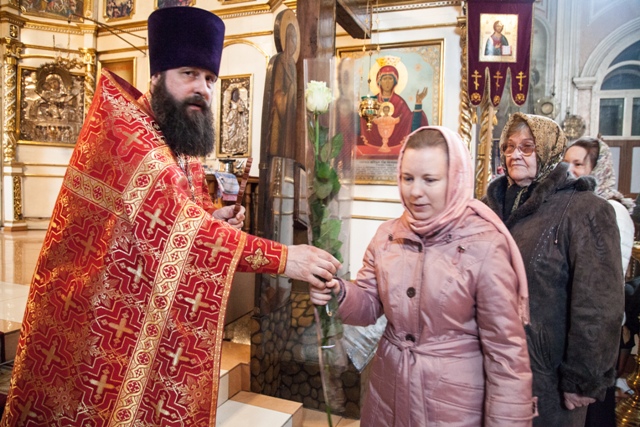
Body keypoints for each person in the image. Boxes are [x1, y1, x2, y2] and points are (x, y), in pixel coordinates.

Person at [0, 7, 340, 426]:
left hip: (132, 304)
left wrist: (213, 217)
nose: (202, 89)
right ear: (157, 75)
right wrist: (287, 259)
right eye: (189, 74)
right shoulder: (129, 135)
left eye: (210, 79)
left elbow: (183, 216)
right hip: (92, 313)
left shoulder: (176, 139)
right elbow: (181, 229)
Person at [312, 126, 535, 426]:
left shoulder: (485, 246)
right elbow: (369, 304)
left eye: (429, 180)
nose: (415, 191)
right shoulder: (387, 236)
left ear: (455, 179)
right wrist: (338, 292)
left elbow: (506, 356)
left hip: (452, 408)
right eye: (408, 178)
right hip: (388, 397)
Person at [484, 112, 624, 426]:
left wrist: (583, 378)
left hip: (547, 378)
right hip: (490, 368)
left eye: (527, 146)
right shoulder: (488, 208)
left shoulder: (585, 210)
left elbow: (599, 304)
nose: (515, 154)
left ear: (549, 150)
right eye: (508, 146)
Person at [563, 137, 635, 427]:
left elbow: (603, 283)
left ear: (599, 168)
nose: (569, 170)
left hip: (597, 331)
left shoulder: (611, 210)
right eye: (565, 163)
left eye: (578, 164)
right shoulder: (574, 207)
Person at [358, 61, 429, 156]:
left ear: (395, 82)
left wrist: (418, 103)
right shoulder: (373, 101)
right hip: (373, 147)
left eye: (390, 78)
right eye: (384, 79)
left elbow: (411, 123)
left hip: (397, 147)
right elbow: (364, 120)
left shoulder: (400, 102)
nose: (387, 82)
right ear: (379, 81)